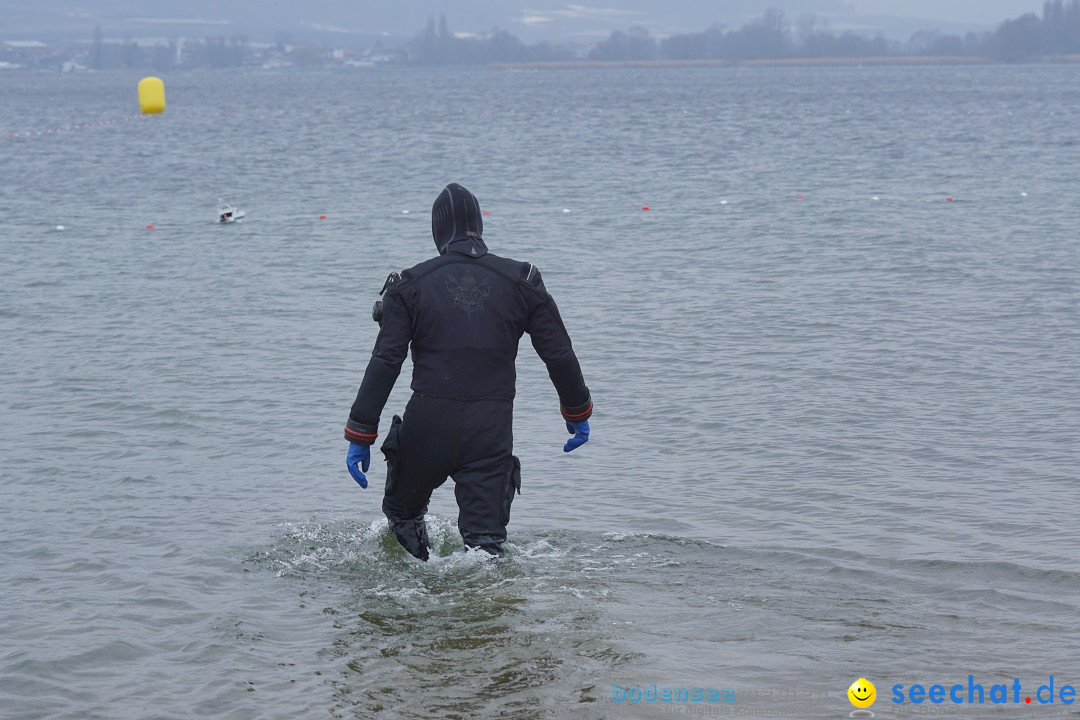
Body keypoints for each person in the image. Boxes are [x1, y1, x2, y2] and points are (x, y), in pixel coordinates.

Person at [343, 183, 593, 560]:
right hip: (489, 431)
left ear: (436, 230)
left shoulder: (409, 285)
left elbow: (386, 362)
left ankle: (411, 598)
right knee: (486, 546)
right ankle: (486, 612)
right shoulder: (522, 280)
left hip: (428, 424)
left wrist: (361, 432)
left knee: (402, 514)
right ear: (479, 224)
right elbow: (557, 353)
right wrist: (577, 411)